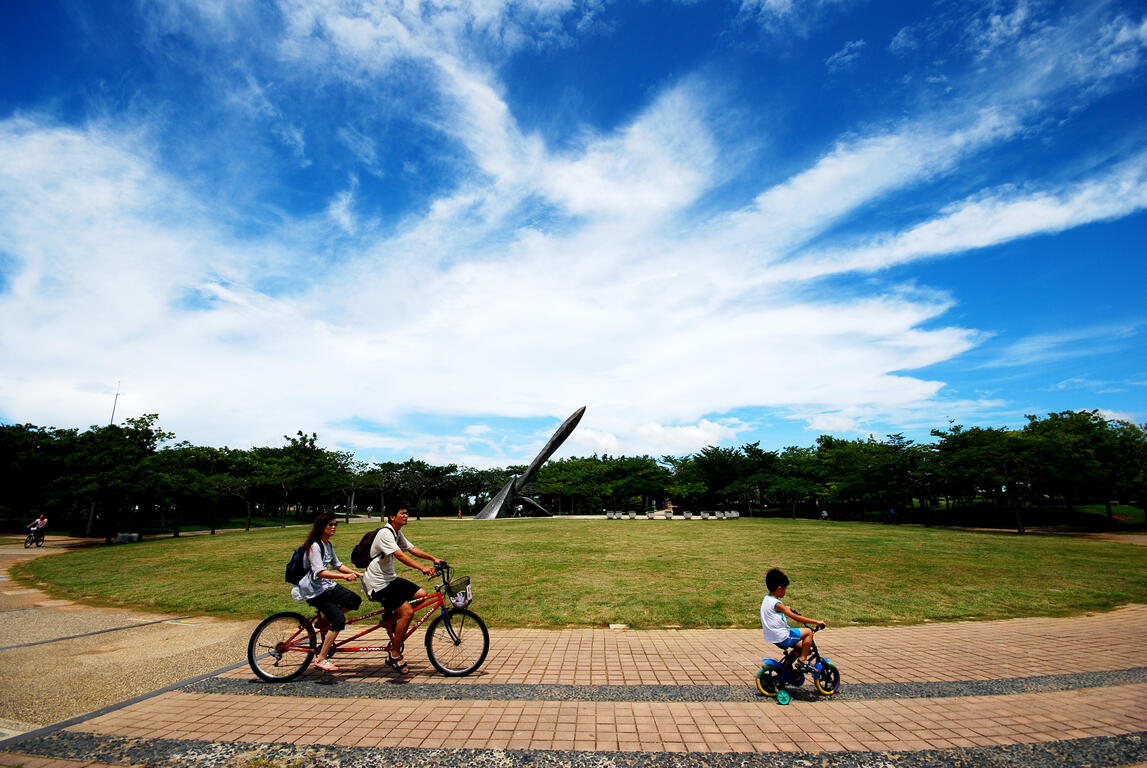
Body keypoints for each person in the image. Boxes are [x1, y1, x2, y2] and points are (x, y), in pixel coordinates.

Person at [360, 502, 442, 674]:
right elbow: (399, 555)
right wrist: (422, 568)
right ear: (392, 517)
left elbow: (411, 548)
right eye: (402, 513)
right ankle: (395, 654)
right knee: (407, 613)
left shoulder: (397, 533)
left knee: (422, 595)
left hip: (390, 580)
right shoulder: (385, 533)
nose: (406, 516)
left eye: (406, 513)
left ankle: (389, 618)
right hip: (378, 584)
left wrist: (433, 558)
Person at [292, 512, 362, 673]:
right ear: (322, 527)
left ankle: (323, 622)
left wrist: (357, 574)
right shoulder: (315, 546)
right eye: (330, 525)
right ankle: (321, 658)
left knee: (354, 600)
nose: (333, 527)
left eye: (335, 524)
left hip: (326, 585)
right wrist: (344, 576)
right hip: (313, 590)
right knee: (338, 620)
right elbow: (319, 572)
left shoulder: (327, 545)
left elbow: (337, 564)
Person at [760, 568, 825, 672]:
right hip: (782, 636)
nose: (785, 591)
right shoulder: (778, 604)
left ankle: (786, 668)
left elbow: (775, 610)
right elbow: (796, 617)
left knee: (803, 647)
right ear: (779, 589)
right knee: (808, 633)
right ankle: (802, 661)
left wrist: (785, 608)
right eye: (785, 589)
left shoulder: (767, 599)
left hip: (772, 636)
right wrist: (816, 622)